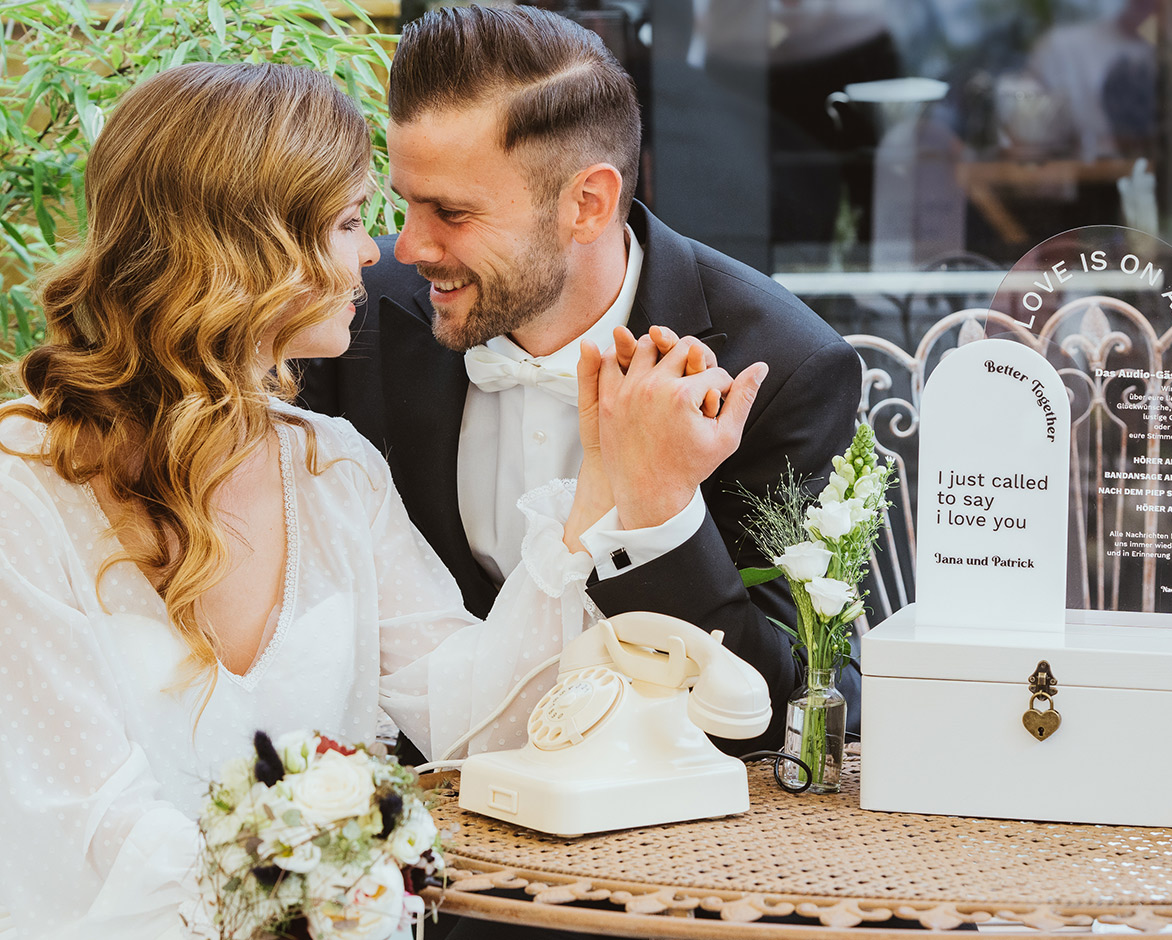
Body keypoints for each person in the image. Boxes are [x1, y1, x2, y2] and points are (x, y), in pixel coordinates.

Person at [0, 61, 757, 939]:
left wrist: (603, 485)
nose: (380, 250)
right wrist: (337, 898)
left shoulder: (333, 469)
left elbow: (477, 720)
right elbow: (82, 818)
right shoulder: (26, 483)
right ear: (246, 246)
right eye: (352, 220)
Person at [299, 5, 864, 753]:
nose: (408, 245)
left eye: (451, 212)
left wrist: (660, 514)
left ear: (586, 204)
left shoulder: (783, 366)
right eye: (404, 202)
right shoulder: (352, 316)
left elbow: (805, 712)